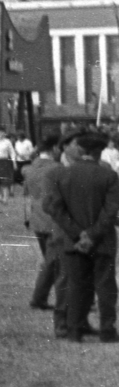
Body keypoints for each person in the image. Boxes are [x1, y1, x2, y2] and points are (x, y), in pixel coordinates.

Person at [45, 133, 119, 344]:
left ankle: (74, 329)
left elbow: (56, 209)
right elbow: (111, 211)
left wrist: (78, 233)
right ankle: (107, 329)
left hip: (72, 240)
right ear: (98, 152)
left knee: (76, 286)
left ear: (81, 151)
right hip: (102, 240)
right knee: (105, 286)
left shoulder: (63, 175)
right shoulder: (109, 176)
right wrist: (92, 233)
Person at [22, 136, 64, 315]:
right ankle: (41, 298)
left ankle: (40, 298)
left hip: (37, 219)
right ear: (54, 148)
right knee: (55, 261)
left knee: (50, 260)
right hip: (54, 219)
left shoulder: (29, 169)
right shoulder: (58, 169)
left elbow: (26, 197)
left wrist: (27, 218)